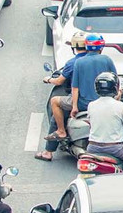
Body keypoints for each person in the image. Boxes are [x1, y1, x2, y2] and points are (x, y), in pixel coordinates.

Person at [36, 33, 117, 161]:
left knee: (55, 102)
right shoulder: (107, 60)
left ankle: (59, 134)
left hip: (83, 103)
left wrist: (74, 106)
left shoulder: (77, 62)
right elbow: (116, 81)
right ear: (101, 47)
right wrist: (116, 100)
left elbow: (75, 87)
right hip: (105, 101)